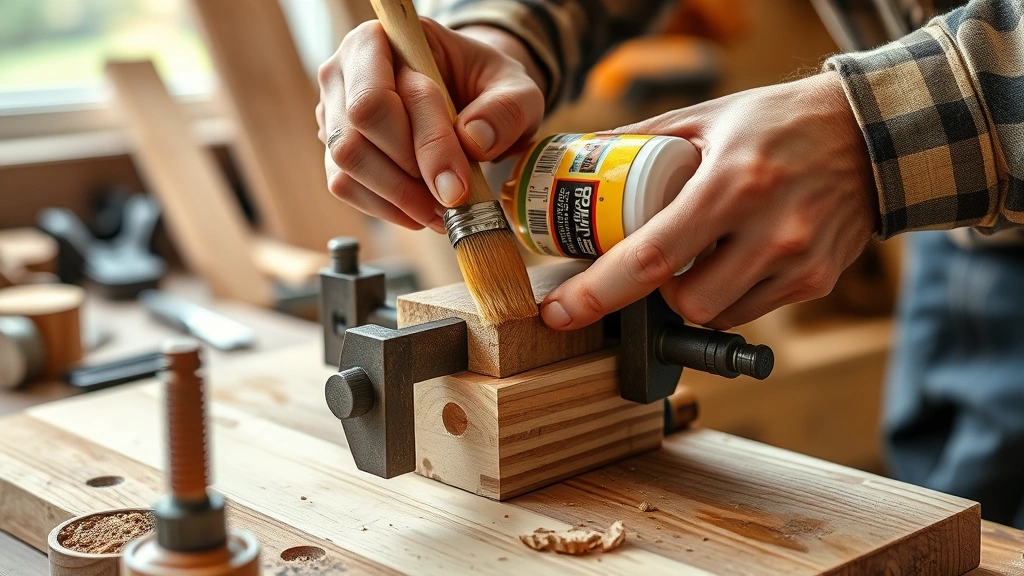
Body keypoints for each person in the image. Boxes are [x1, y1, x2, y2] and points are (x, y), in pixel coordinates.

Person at [316, 0, 1024, 527]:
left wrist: (870, 127)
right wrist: (496, 35)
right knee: (952, 511)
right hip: (960, 228)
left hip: (944, 177)